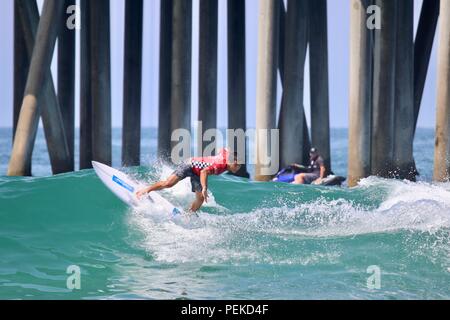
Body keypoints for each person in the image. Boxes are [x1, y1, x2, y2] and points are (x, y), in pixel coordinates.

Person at [136, 148, 241, 212]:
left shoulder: (226, 155)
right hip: (189, 165)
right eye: (236, 165)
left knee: (200, 199)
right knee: (169, 183)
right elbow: (204, 172)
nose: (237, 168)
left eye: (239, 166)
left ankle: (188, 214)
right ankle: (145, 190)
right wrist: (204, 187)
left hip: (197, 172)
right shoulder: (220, 166)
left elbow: (225, 149)